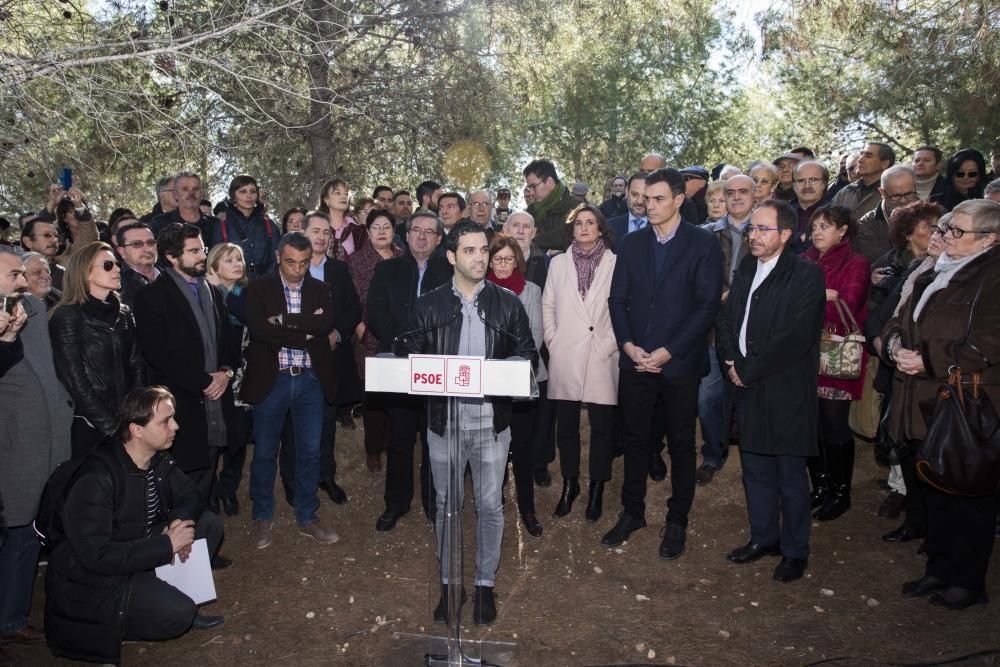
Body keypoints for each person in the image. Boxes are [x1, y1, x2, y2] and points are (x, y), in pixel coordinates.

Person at [402, 220, 536, 626]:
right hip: (444, 424)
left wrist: (507, 370)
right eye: (471, 251)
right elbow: (409, 352)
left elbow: (529, 354)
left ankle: (483, 584)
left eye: (484, 250)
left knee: (490, 505)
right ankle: (450, 585)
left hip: (491, 424)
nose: (481, 259)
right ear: (451, 257)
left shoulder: (507, 304)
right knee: (447, 506)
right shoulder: (430, 305)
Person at [44, 387, 225, 665]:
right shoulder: (97, 478)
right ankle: (117, 627)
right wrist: (166, 545)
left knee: (206, 524)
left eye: (173, 418)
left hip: (132, 549)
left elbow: (190, 494)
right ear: (136, 430)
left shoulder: (154, 458)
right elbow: (96, 556)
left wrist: (177, 524)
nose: (175, 426)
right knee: (178, 615)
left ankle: (167, 591)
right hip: (95, 583)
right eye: (165, 421)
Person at [880, 199, 999, 610]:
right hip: (920, 398)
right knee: (932, 487)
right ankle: (939, 567)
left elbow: (989, 341)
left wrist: (929, 359)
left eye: (956, 232)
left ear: (989, 239)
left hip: (966, 404)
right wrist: (895, 345)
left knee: (967, 491)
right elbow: (901, 318)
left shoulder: (993, 277)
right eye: (946, 229)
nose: (944, 237)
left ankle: (967, 582)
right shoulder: (934, 268)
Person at [605, 168, 723, 558]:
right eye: (645, 199)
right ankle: (632, 511)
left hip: (680, 363)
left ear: (678, 200)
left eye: (657, 199)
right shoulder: (632, 243)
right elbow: (617, 299)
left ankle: (677, 520)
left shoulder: (702, 244)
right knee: (636, 439)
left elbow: (707, 306)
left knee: (682, 444)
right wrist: (627, 344)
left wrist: (670, 350)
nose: (648, 205)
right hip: (636, 360)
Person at [716, 199, 826, 583]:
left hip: (785, 389)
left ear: (786, 235)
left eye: (762, 229)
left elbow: (793, 338)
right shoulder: (747, 267)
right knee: (755, 469)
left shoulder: (806, 275)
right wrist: (730, 361)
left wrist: (746, 369)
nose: (753, 235)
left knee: (790, 476)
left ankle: (795, 551)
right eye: (751, 229)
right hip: (745, 385)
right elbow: (727, 319)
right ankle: (764, 538)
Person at [241, 232, 341, 549]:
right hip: (273, 379)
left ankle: (307, 516)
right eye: (290, 262)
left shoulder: (321, 289)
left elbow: (324, 328)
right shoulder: (258, 288)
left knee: (310, 452)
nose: (297, 269)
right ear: (277, 258)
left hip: (311, 380)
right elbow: (260, 331)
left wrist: (283, 322)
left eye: (303, 262)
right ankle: (262, 517)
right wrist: (305, 331)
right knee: (266, 452)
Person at [133, 223, 238, 504]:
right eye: (193, 251)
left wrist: (226, 373)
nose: (202, 255)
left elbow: (228, 341)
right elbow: (159, 353)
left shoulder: (213, 292)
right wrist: (205, 382)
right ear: (170, 256)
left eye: (202, 249)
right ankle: (182, 545)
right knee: (180, 488)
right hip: (181, 405)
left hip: (217, 403)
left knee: (206, 480)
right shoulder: (150, 297)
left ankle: (204, 542)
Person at [0, 246, 73, 652]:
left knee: (27, 528)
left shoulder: (31, 309)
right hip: (9, 444)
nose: (25, 281)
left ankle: (11, 617)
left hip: (40, 440)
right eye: (15, 274)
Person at [367, 211, 453, 531]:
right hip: (397, 363)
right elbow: (375, 312)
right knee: (400, 438)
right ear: (407, 233)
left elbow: (455, 314)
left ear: (439, 239)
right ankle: (396, 504)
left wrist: (427, 345)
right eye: (415, 229)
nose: (421, 236)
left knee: (434, 439)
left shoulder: (451, 272)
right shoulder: (386, 269)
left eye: (429, 232)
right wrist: (404, 342)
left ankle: (434, 504)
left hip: (435, 365)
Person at [543, 204, 618, 522]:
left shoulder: (617, 262)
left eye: (591, 223)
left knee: (602, 428)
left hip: (602, 351)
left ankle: (598, 488)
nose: (584, 228)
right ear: (571, 230)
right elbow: (548, 303)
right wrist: (552, 340)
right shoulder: (558, 262)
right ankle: (570, 484)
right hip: (566, 351)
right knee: (567, 427)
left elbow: (625, 306)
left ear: (600, 228)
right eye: (579, 224)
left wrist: (611, 344)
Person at [802, 205, 871, 521]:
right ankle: (820, 484)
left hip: (837, 356)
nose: (817, 231)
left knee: (834, 425)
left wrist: (816, 297)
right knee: (810, 424)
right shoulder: (803, 260)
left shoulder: (857, 263)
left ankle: (840, 493)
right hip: (802, 356)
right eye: (814, 225)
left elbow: (849, 302)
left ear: (843, 230)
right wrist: (825, 294)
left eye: (825, 226)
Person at [49, 241, 145, 459]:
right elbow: (74, 378)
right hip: (90, 425)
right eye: (108, 265)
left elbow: (136, 364)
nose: (118, 269)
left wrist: (136, 413)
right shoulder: (67, 315)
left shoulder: (124, 314)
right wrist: (110, 426)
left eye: (117, 264)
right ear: (86, 273)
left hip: (129, 419)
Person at [298, 211, 361, 504]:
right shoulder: (289, 268)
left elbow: (352, 308)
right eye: (316, 231)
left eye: (326, 232)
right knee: (297, 424)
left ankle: (326, 476)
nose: (321, 237)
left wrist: (337, 333)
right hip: (296, 359)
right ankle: (297, 481)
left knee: (326, 421)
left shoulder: (339, 269)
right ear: (304, 233)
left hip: (332, 359)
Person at [487, 234, 547, 536]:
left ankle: (527, 508)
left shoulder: (531, 291)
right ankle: (493, 504)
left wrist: (506, 361)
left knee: (523, 448)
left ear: (518, 261)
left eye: (509, 259)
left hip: (523, 379)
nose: (503, 264)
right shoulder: (478, 291)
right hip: (487, 383)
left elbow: (535, 336)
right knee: (493, 448)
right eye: (497, 259)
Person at [347, 209, 404, 472]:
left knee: (398, 395)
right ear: (367, 232)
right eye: (376, 227)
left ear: (394, 231)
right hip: (367, 337)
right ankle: (373, 450)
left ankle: (394, 445)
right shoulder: (356, 260)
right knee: (373, 397)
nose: (381, 232)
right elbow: (349, 299)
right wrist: (361, 329)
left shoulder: (404, 258)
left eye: (387, 227)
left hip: (400, 338)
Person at [205, 242, 251, 517]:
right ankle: (208, 493)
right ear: (214, 266)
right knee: (212, 440)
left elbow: (249, 317)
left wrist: (221, 290)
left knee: (238, 438)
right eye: (229, 260)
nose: (237, 264)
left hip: (242, 378)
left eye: (239, 259)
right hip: (212, 377)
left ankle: (228, 489)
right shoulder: (201, 293)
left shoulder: (249, 292)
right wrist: (214, 291)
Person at [213, 175, 280, 279]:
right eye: (242, 191)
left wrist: (265, 284)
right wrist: (237, 289)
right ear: (233, 195)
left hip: (264, 287)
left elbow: (276, 260)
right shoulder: (222, 225)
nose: (249, 196)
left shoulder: (269, 225)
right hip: (234, 287)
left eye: (253, 191)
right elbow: (218, 262)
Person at [853, 165, 918, 264]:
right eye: (896, 196)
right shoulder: (866, 225)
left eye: (909, 194)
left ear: (915, 187)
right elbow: (880, 263)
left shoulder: (934, 214)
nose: (903, 200)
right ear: (882, 192)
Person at [524, 159, 578, 255]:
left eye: (533, 186)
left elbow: (571, 235)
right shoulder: (531, 211)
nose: (531, 193)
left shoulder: (577, 207)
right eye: (529, 188)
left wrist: (536, 238)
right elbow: (522, 238)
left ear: (549, 181)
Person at [833, 143, 896, 218]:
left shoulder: (894, 193)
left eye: (868, 156)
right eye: (861, 154)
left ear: (885, 164)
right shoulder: (846, 192)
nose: (860, 160)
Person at [149, 172, 218, 241]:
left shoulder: (215, 224)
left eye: (195, 189)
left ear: (201, 193)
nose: (191, 193)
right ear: (175, 194)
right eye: (185, 189)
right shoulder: (159, 223)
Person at [318, 179, 367, 259]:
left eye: (346, 194)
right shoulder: (316, 224)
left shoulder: (357, 229)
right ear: (326, 199)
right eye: (338, 193)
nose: (344, 197)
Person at [115, 222, 160, 307]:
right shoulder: (116, 283)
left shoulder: (172, 275)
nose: (147, 249)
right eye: (136, 244)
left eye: (150, 242)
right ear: (122, 252)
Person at [791, 160, 832, 252]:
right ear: (794, 186)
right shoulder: (783, 213)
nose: (807, 186)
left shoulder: (835, 213)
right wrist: (799, 238)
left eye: (813, 180)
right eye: (801, 181)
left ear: (824, 184)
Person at [503, 211, 548, 288]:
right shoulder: (492, 260)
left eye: (526, 226)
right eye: (515, 225)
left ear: (533, 233)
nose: (521, 231)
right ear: (505, 229)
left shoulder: (546, 263)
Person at [20, 218, 65, 290]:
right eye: (47, 235)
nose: (54, 240)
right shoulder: (14, 271)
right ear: (28, 241)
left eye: (56, 236)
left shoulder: (64, 274)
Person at [607, 172, 648, 248]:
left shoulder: (662, 228)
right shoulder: (609, 227)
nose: (639, 201)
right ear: (626, 192)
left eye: (645, 196)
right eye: (635, 194)